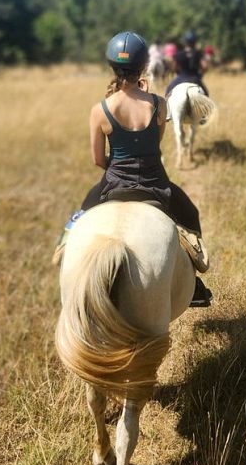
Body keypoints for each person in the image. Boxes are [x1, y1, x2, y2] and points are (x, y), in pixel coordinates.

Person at [71, 30, 212, 307]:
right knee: (190, 215)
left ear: (111, 66)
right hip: (154, 184)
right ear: (144, 66)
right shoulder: (159, 104)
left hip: (113, 185)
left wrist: (119, 167)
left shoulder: (100, 110)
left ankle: (64, 252)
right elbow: (154, 147)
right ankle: (194, 283)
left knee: (76, 222)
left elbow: (98, 160)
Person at [165, 30, 209, 98]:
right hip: (195, 78)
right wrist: (200, 75)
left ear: (185, 42)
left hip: (181, 78)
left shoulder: (179, 54)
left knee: (168, 91)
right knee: (206, 95)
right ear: (195, 42)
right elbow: (205, 67)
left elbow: (174, 67)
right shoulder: (198, 53)